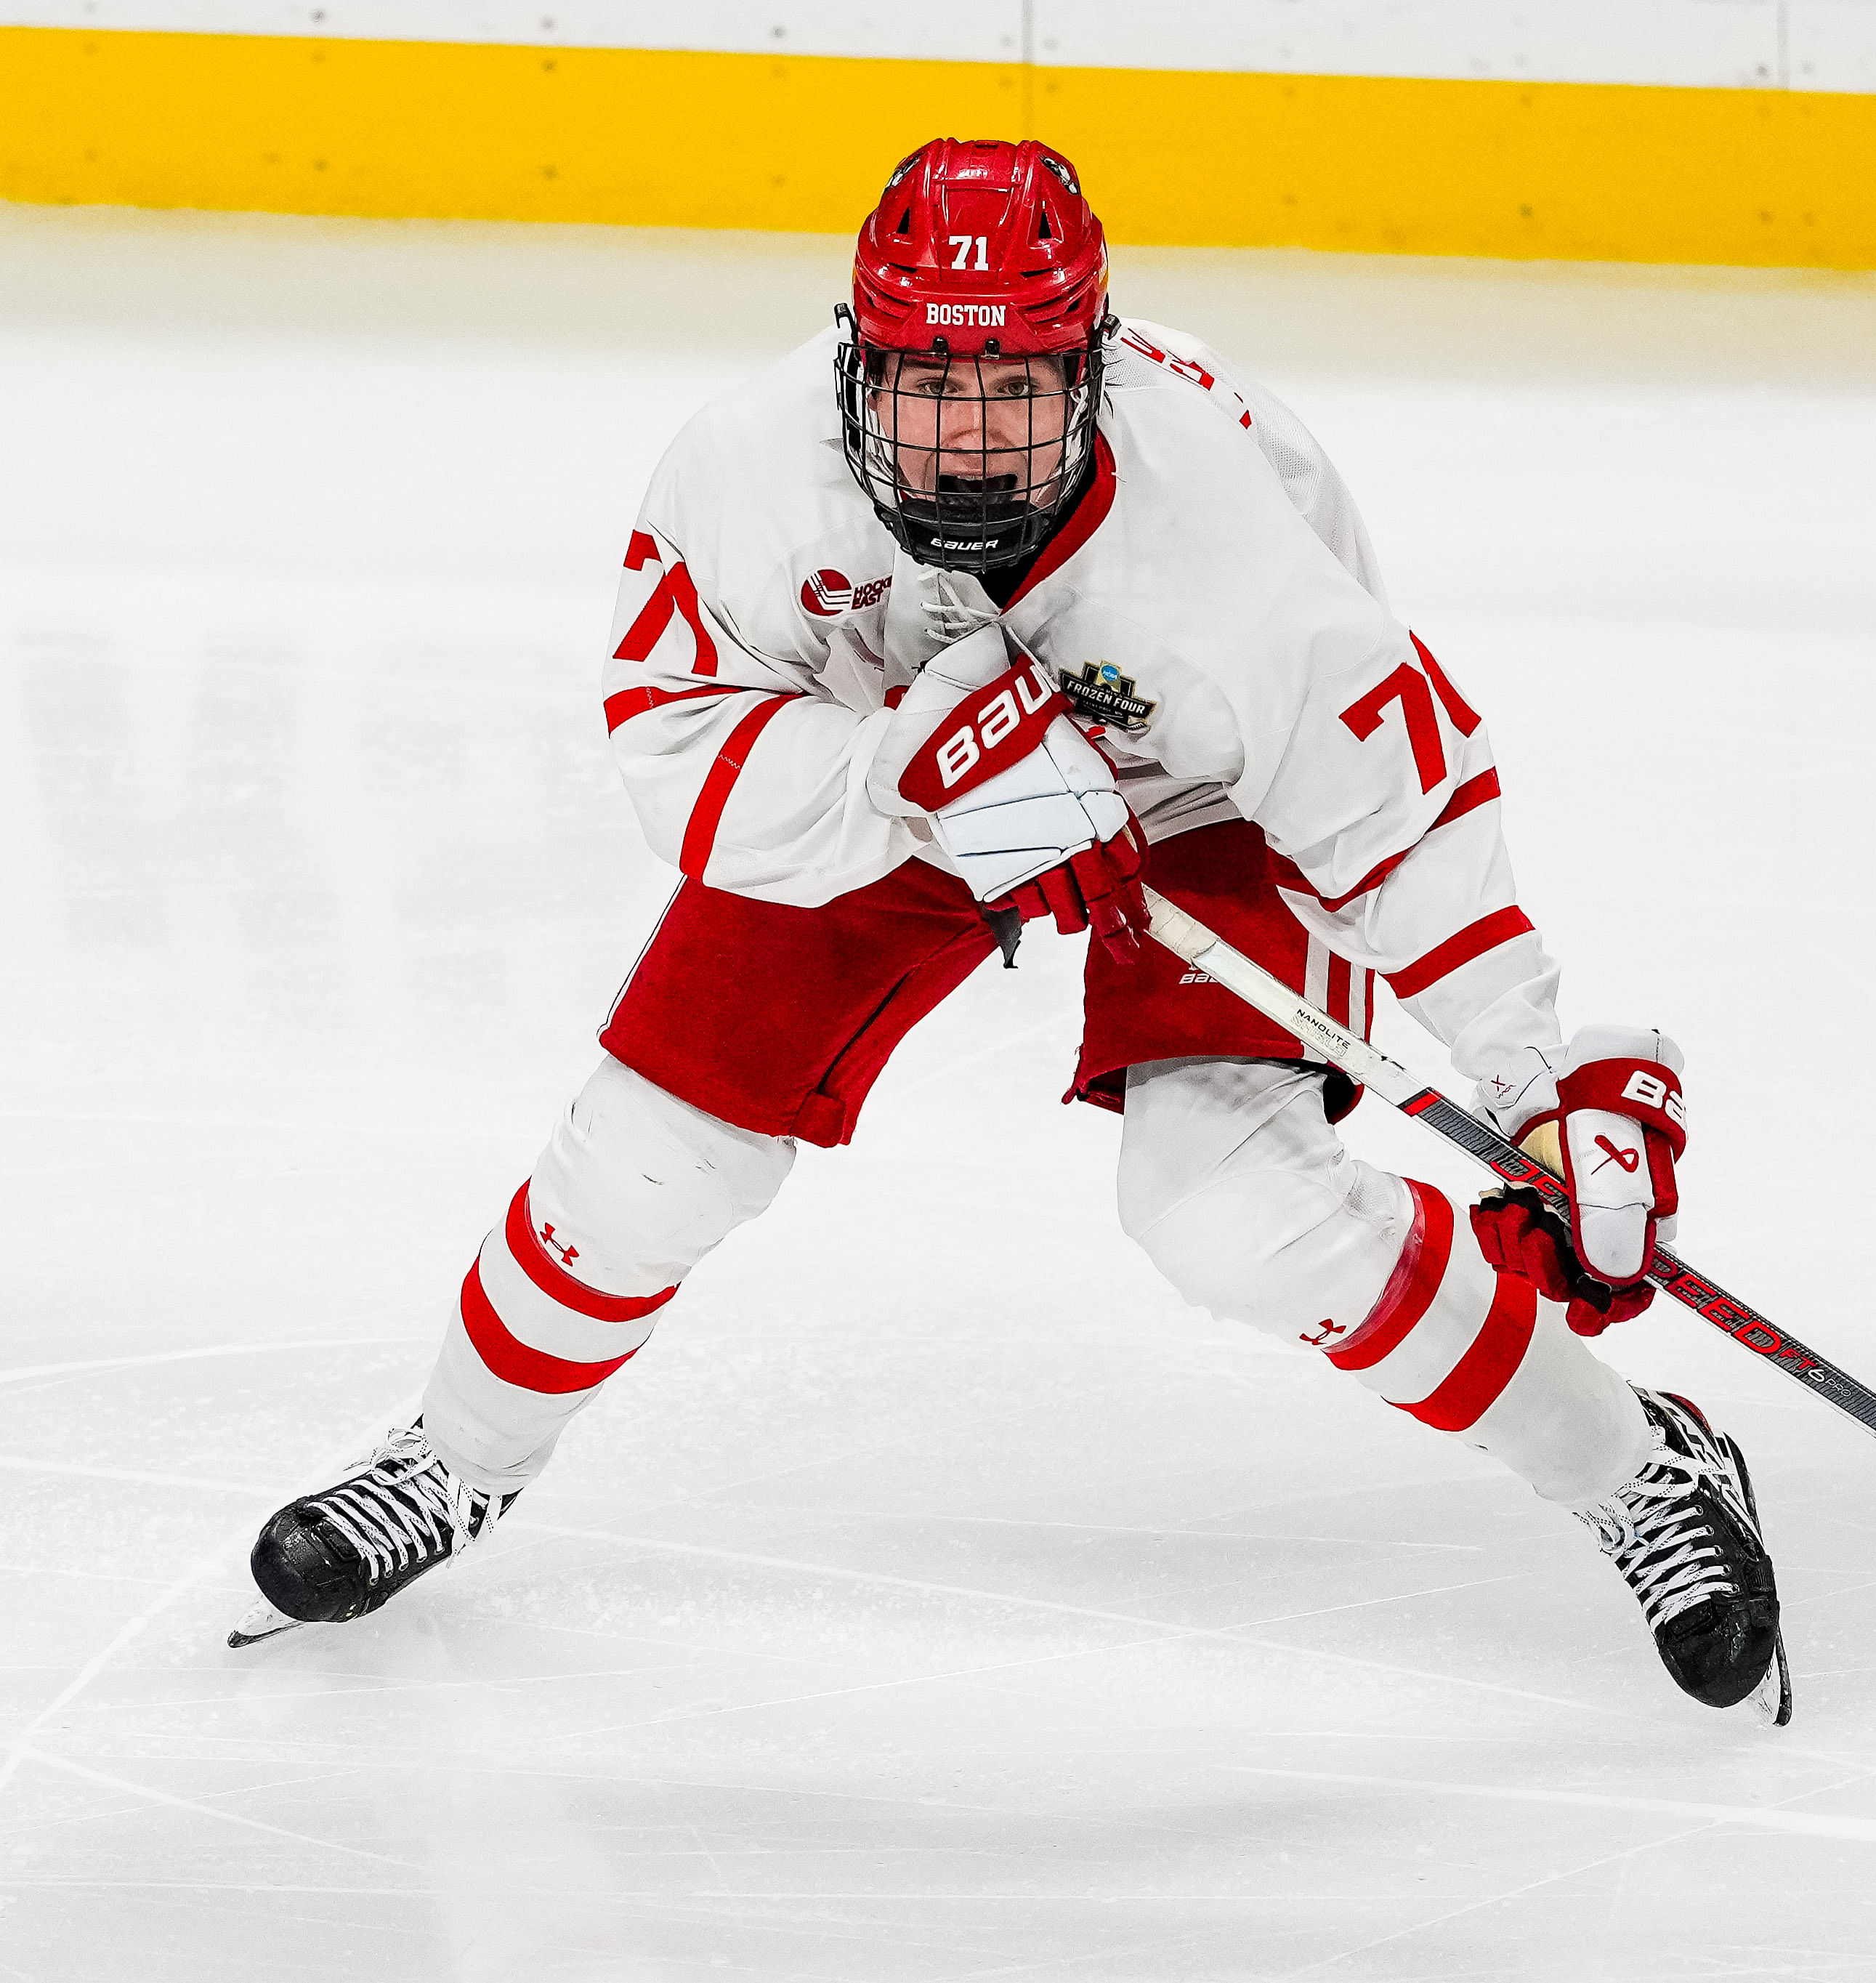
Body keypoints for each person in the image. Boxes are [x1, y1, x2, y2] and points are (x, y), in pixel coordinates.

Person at [233, 138, 1786, 1719]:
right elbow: (676, 746)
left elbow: (1399, 815)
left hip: (1194, 796)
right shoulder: (745, 472)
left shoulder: (1228, 551)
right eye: (926, 393)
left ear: (1090, 373)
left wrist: (1532, 1081)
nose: (968, 445)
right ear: (855, 365)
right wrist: (908, 774)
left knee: (1231, 1214)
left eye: (1015, 397)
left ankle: (1638, 1466)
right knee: (649, 1156)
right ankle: (452, 1459)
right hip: (876, 762)